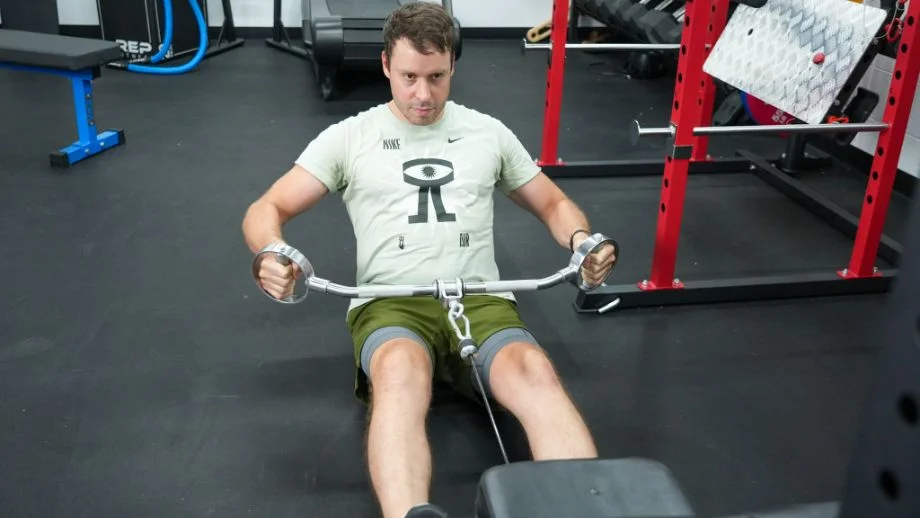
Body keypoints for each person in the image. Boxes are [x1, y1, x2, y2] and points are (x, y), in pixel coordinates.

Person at [241, 2, 617, 517]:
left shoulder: (489, 132)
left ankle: (587, 509)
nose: (424, 94)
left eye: (437, 77)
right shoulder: (350, 137)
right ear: (385, 67)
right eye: (410, 77)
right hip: (392, 306)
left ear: (453, 67)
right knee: (399, 370)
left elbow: (552, 202)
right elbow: (268, 207)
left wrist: (581, 240)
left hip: (480, 301)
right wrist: (273, 252)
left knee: (534, 369)